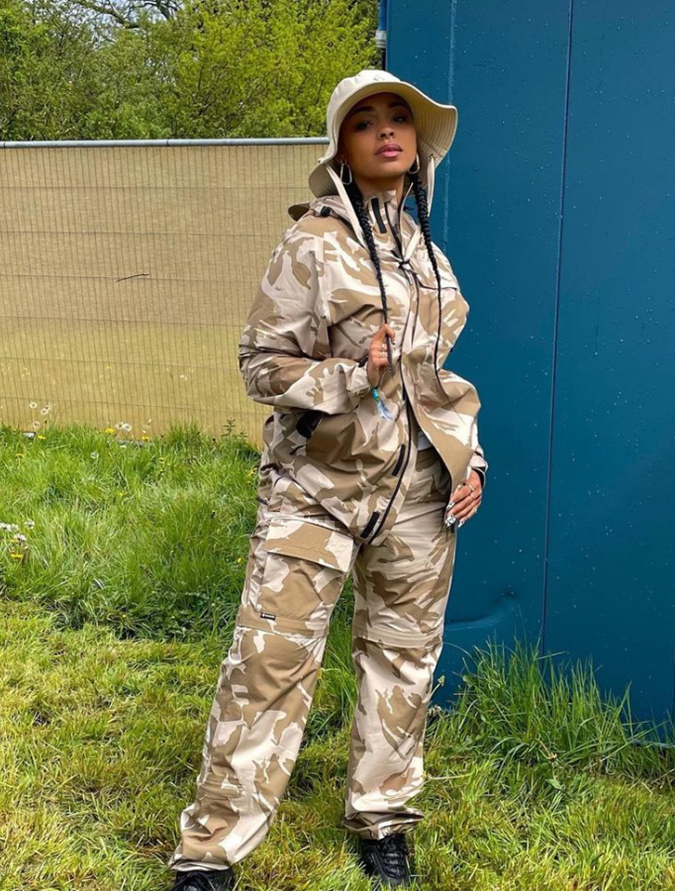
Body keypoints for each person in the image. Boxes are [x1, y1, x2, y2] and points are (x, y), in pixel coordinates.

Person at [168, 68, 488, 890]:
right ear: (340, 147)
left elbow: (434, 384)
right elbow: (261, 366)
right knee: (269, 662)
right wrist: (350, 375)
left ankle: (381, 818)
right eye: (365, 121)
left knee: (402, 659)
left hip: (418, 496)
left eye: (399, 119)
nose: (387, 131)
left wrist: (469, 457)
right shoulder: (310, 244)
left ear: (418, 144)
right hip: (316, 489)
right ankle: (210, 849)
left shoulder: (428, 257)